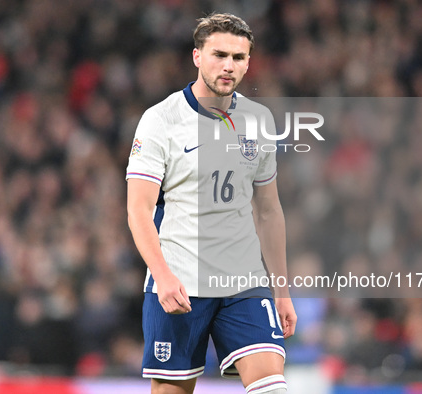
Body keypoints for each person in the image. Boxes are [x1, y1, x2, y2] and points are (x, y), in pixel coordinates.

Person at [126, 12, 297, 394]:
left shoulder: (259, 120)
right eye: (219, 54)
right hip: (180, 280)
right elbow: (138, 209)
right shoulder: (160, 120)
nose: (228, 65)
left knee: (273, 387)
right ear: (197, 56)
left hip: (244, 281)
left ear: (249, 62)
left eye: (238, 58)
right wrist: (163, 275)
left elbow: (268, 210)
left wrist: (281, 290)